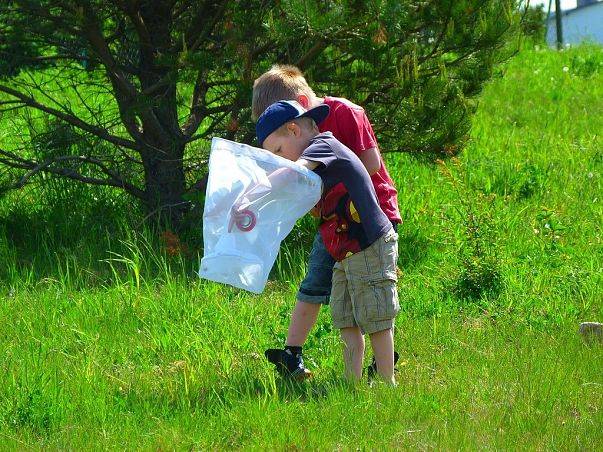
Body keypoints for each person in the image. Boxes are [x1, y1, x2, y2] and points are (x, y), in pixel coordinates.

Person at [252, 65, 401, 379]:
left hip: (371, 218)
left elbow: (371, 164)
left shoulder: (338, 121)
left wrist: (327, 175)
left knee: (373, 294)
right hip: (336, 224)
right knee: (334, 296)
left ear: (297, 116)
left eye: (279, 149)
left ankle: (384, 368)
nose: (282, 157)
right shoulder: (301, 141)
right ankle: (315, 363)